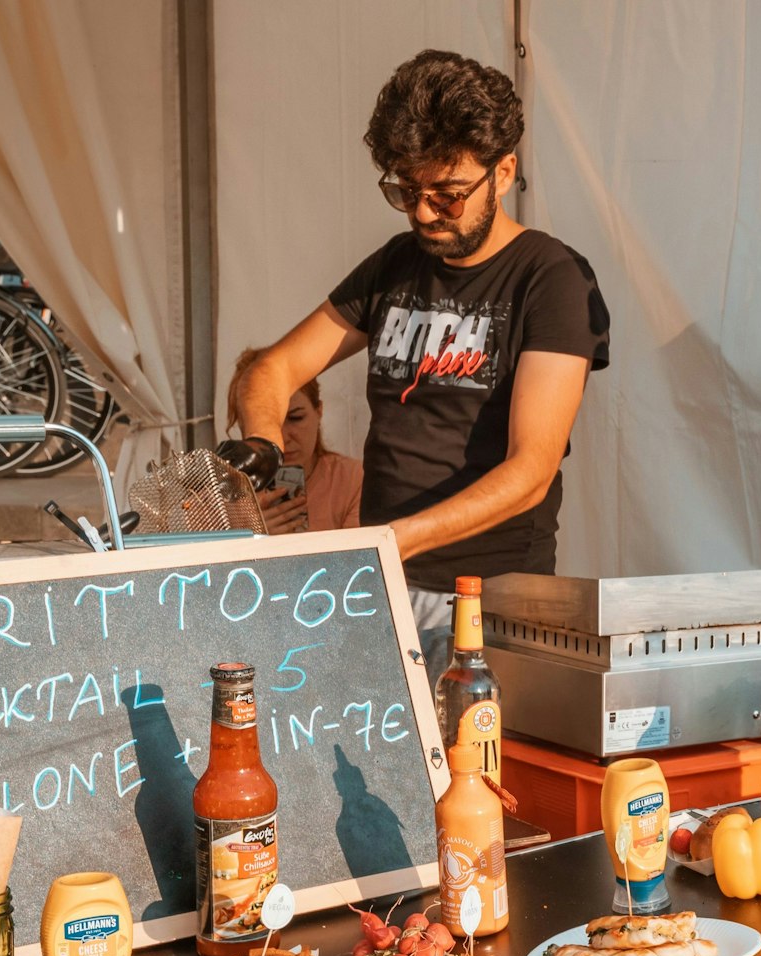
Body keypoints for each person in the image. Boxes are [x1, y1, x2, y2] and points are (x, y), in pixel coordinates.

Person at [225, 50, 611, 678]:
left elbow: (531, 471)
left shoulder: (551, 279)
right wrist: (265, 443)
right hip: (382, 584)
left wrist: (393, 540)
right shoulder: (397, 263)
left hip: (487, 600)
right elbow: (270, 368)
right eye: (407, 191)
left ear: (503, 171)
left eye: (449, 195)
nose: (425, 212)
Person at [230, 349, 365, 535]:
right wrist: (248, 536)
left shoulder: (352, 480)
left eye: (295, 418)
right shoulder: (220, 493)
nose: (282, 438)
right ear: (242, 423)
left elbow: (361, 560)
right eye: (264, 425)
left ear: (319, 411)